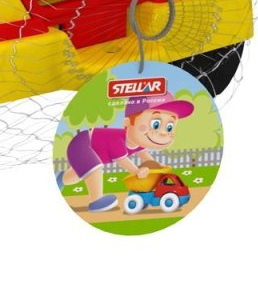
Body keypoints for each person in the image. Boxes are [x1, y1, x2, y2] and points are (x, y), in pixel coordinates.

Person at [58, 92, 195, 214]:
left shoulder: (138, 142)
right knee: (94, 170)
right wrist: (137, 171)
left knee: (78, 173)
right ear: (128, 122)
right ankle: (96, 202)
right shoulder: (117, 139)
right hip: (83, 143)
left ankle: (60, 179)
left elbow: (146, 157)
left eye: (170, 127)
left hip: (90, 149)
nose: (164, 133)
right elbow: (122, 161)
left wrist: (159, 168)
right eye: (156, 124)